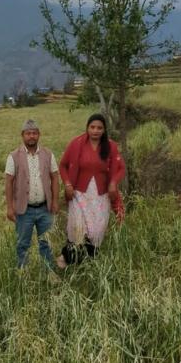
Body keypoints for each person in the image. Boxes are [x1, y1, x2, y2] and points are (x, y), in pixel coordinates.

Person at [57, 113, 125, 268]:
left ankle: (87, 264)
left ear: (104, 130)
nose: (95, 131)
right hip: (79, 194)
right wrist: (67, 184)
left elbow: (121, 168)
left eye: (99, 128)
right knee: (78, 229)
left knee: (96, 232)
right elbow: (63, 166)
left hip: (101, 196)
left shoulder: (111, 146)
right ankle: (68, 257)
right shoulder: (77, 144)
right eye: (92, 127)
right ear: (87, 128)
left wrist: (113, 183)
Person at [5, 119, 59, 269]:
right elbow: (8, 182)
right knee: (23, 244)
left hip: (45, 208)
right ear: (22, 135)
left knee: (47, 243)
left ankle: (49, 273)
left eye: (34, 133)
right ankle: (23, 274)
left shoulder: (48, 154)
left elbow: (55, 177)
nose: (31, 136)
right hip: (24, 209)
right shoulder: (13, 156)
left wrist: (55, 201)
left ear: (39, 135)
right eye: (28, 133)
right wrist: (10, 207)